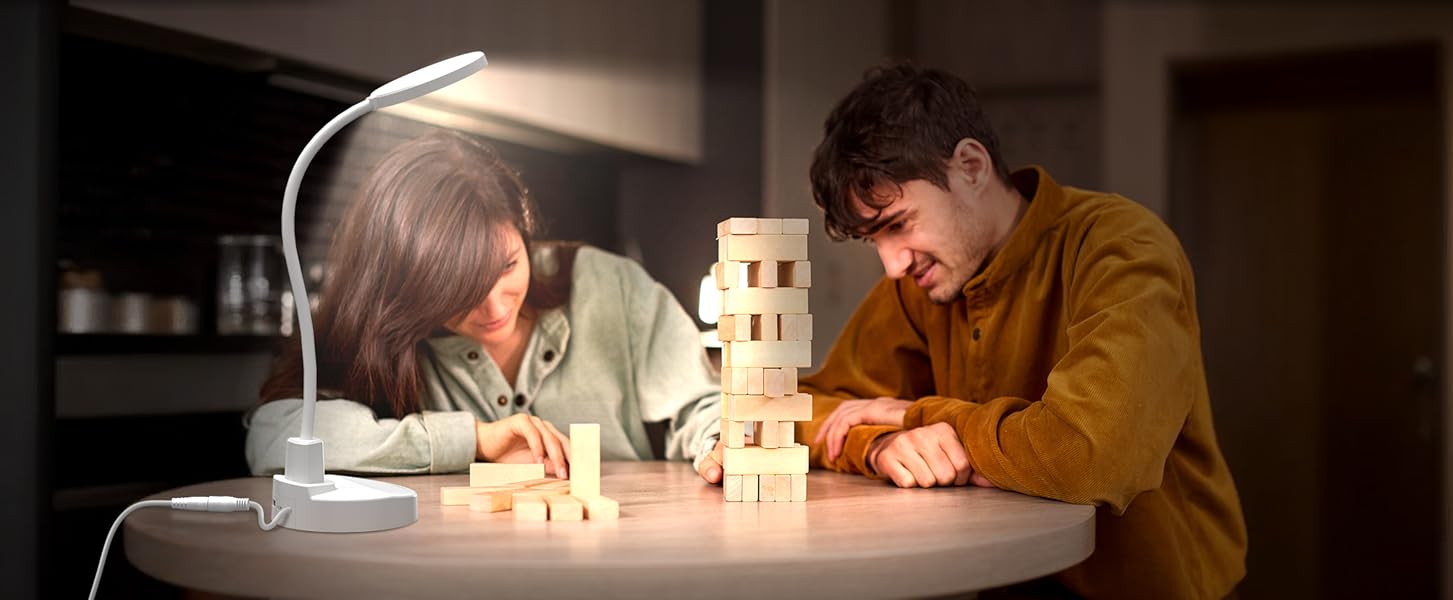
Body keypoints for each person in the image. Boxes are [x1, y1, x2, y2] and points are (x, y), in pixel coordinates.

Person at [797, 65, 1245, 599]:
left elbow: (1089, 456)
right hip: (1008, 581)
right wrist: (880, 443)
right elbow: (804, 407)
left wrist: (917, 413)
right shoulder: (919, 285)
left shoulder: (1123, 246)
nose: (892, 265)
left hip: (1151, 586)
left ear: (971, 166)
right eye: (874, 239)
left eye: (898, 224)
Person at [246, 130, 726, 482]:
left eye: (507, 266)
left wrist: (719, 442)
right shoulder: (382, 331)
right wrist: (475, 441)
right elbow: (274, 434)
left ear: (523, 229)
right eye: (457, 292)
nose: (495, 306)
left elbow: (701, 404)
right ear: (406, 288)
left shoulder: (610, 284)